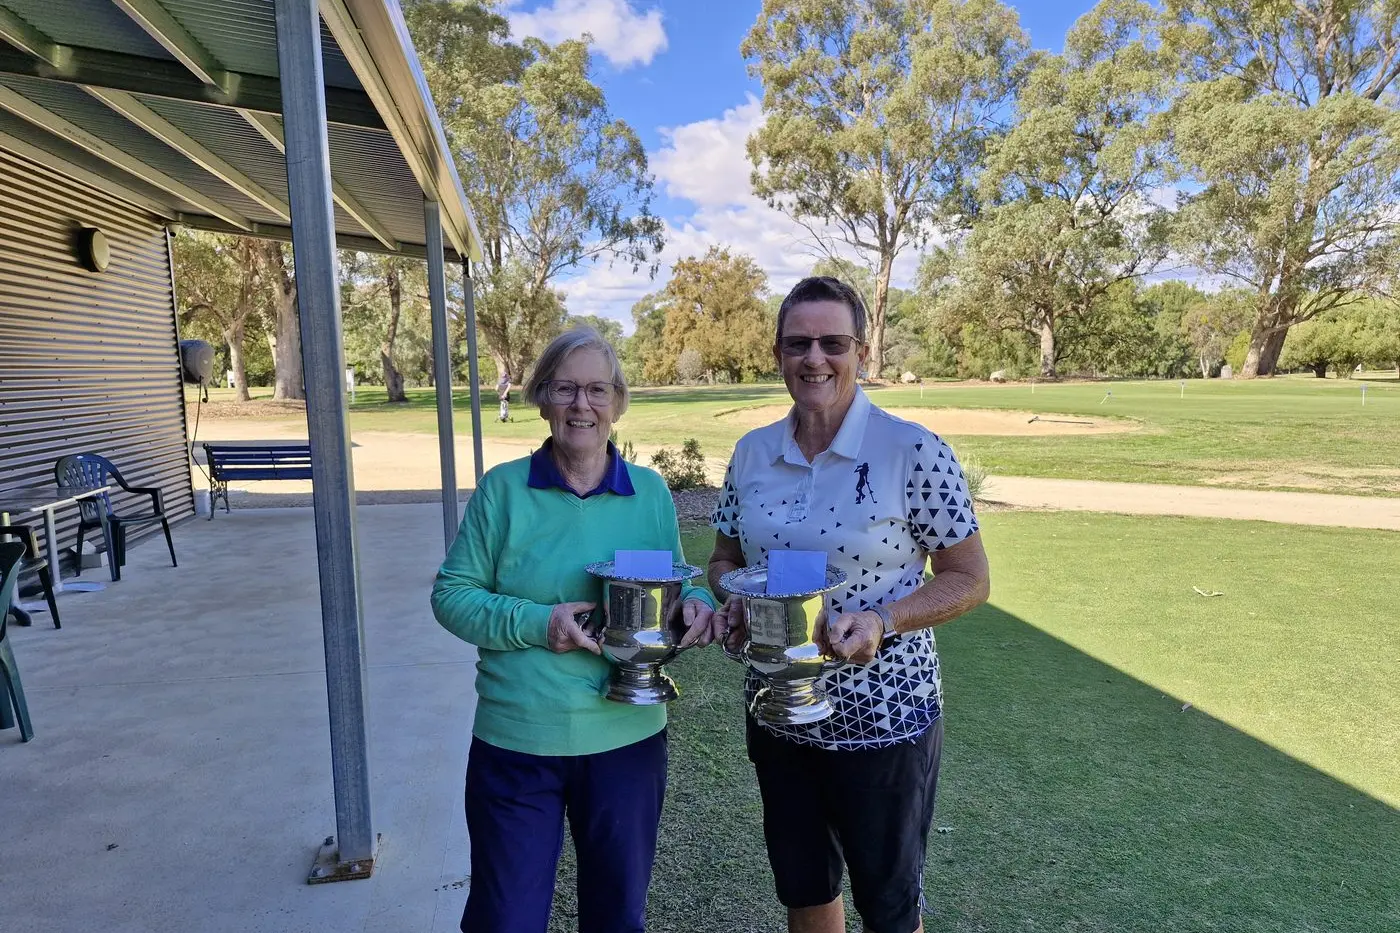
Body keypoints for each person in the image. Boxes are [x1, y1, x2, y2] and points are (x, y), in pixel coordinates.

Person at [707, 277, 991, 933]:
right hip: (778, 713)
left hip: (885, 720)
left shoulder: (912, 449)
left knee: (889, 909)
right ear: (777, 353)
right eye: (798, 343)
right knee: (805, 891)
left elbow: (970, 576)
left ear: (861, 350)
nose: (815, 358)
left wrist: (885, 620)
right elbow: (724, 560)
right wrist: (732, 602)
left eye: (832, 342)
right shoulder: (752, 453)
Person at [432, 327, 718, 933]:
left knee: (616, 918)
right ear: (541, 399)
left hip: (627, 738)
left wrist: (691, 603)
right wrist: (542, 623)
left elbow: (675, 578)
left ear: (617, 402)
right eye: (564, 389)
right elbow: (452, 596)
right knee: (504, 920)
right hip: (518, 739)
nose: (580, 405)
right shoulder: (503, 490)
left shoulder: (649, 493)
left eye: (595, 390)